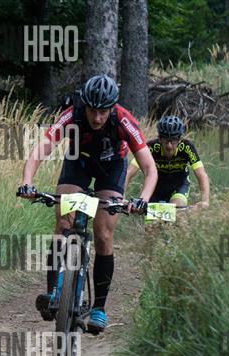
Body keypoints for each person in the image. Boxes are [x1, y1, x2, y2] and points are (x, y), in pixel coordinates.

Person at [17, 74, 158, 334]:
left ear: (112, 108)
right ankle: (54, 291)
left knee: (103, 233)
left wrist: (143, 200)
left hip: (111, 168)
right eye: (93, 110)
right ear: (85, 105)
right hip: (78, 163)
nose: (97, 118)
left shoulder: (123, 119)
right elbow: (40, 150)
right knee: (63, 222)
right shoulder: (72, 115)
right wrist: (27, 182)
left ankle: (99, 308)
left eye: (103, 112)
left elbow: (150, 168)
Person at [125, 116, 210, 209]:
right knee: (149, 214)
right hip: (156, 185)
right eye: (166, 140)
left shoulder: (187, 147)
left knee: (176, 209)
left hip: (179, 185)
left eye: (173, 141)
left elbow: (201, 174)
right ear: (159, 139)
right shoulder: (151, 147)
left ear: (179, 140)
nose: (169, 146)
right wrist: (121, 195)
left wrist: (205, 201)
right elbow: (129, 172)